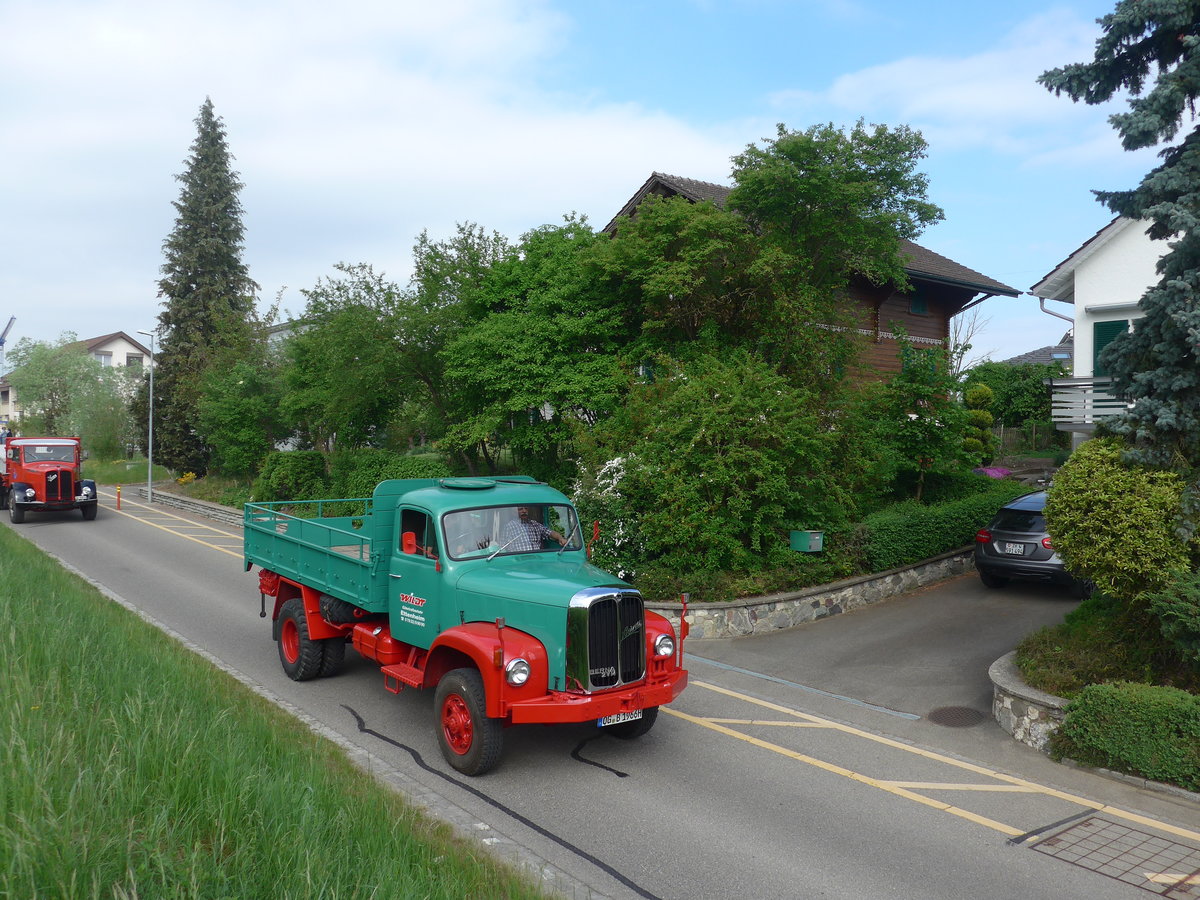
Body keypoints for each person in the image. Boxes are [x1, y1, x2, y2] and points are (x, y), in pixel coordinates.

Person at [502, 505, 566, 551]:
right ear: (515, 512)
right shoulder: (509, 527)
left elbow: (549, 532)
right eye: (520, 509)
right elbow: (503, 547)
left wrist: (560, 538)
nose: (524, 511)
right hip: (519, 561)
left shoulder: (535, 524)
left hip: (536, 558)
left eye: (526, 508)